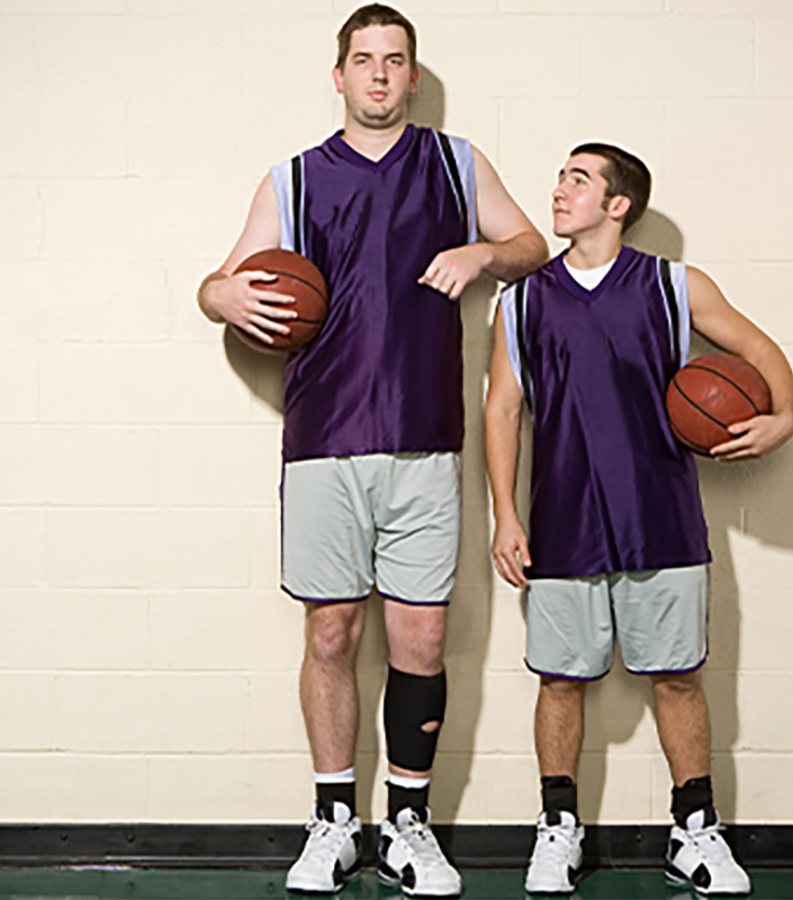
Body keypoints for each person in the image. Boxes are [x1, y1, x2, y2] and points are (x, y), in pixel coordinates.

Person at [197, 4, 546, 896]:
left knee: (420, 639)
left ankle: (409, 828)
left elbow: (533, 247)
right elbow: (219, 280)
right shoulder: (294, 178)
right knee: (331, 632)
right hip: (323, 438)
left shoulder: (457, 162)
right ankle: (332, 821)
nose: (380, 75)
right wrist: (220, 299)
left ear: (414, 76)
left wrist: (482, 254)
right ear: (341, 76)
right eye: (364, 60)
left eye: (395, 61)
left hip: (427, 438)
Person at [484, 142, 793, 896]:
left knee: (679, 678)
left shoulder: (672, 285)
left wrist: (781, 420)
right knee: (560, 682)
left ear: (618, 204)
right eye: (561, 176)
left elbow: (758, 347)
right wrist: (504, 514)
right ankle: (558, 830)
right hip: (562, 519)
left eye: (579, 180)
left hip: (661, 515)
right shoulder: (522, 299)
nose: (560, 190)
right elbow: (501, 407)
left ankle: (695, 831)